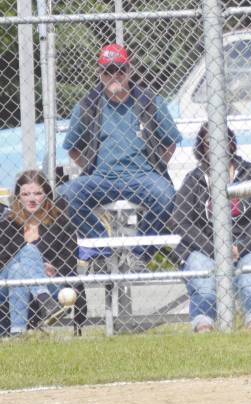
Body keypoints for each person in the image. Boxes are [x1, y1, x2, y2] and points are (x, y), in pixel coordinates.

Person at [58, 43, 183, 267]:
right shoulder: (89, 104)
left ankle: (138, 254)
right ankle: (102, 252)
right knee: (66, 195)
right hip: (102, 178)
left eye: (120, 70)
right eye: (108, 70)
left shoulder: (148, 101)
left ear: (129, 70)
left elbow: (170, 142)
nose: (114, 75)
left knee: (165, 194)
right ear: (100, 73)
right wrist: (90, 167)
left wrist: (156, 166)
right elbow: (73, 148)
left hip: (142, 177)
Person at [172, 124, 251, 333]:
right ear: (201, 148)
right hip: (206, 246)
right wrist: (215, 249)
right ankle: (203, 324)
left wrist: (241, 245)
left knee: (250, 282)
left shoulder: (250, 172)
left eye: (222, 141)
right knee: (204, 286)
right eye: (209, 143)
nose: (216, 148)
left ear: (231, 143)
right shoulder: (195, 179)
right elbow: (180, 220)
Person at [0, 171, 78, 336]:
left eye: (38, 193)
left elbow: (69, 262)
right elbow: (3, 261)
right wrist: (36, 266)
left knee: (18, 271)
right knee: (26, 254)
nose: (32, 199)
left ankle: (17, 333)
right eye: (26, 194)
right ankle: (45, 299)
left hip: (53, 283)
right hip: (4, 285)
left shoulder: (62, 223)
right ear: (18, 197)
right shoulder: (7, 225)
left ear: (47, 195)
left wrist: (53, 268)